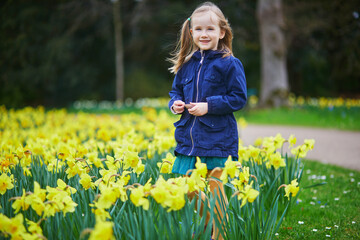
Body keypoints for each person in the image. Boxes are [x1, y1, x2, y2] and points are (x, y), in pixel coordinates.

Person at [167, 2, 247, 239]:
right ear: (191, 32)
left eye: (210, 29)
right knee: (187, 187)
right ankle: (210, 224)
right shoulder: (187, 64)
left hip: (218, 138)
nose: (204, 34)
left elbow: (238, 98)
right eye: (199, 29)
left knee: (216, 192)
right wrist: (175, 104)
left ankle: (218, 236)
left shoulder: (230, 63)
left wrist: (208, 106)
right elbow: (176, 91)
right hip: (188, 140)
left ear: (222, 32)